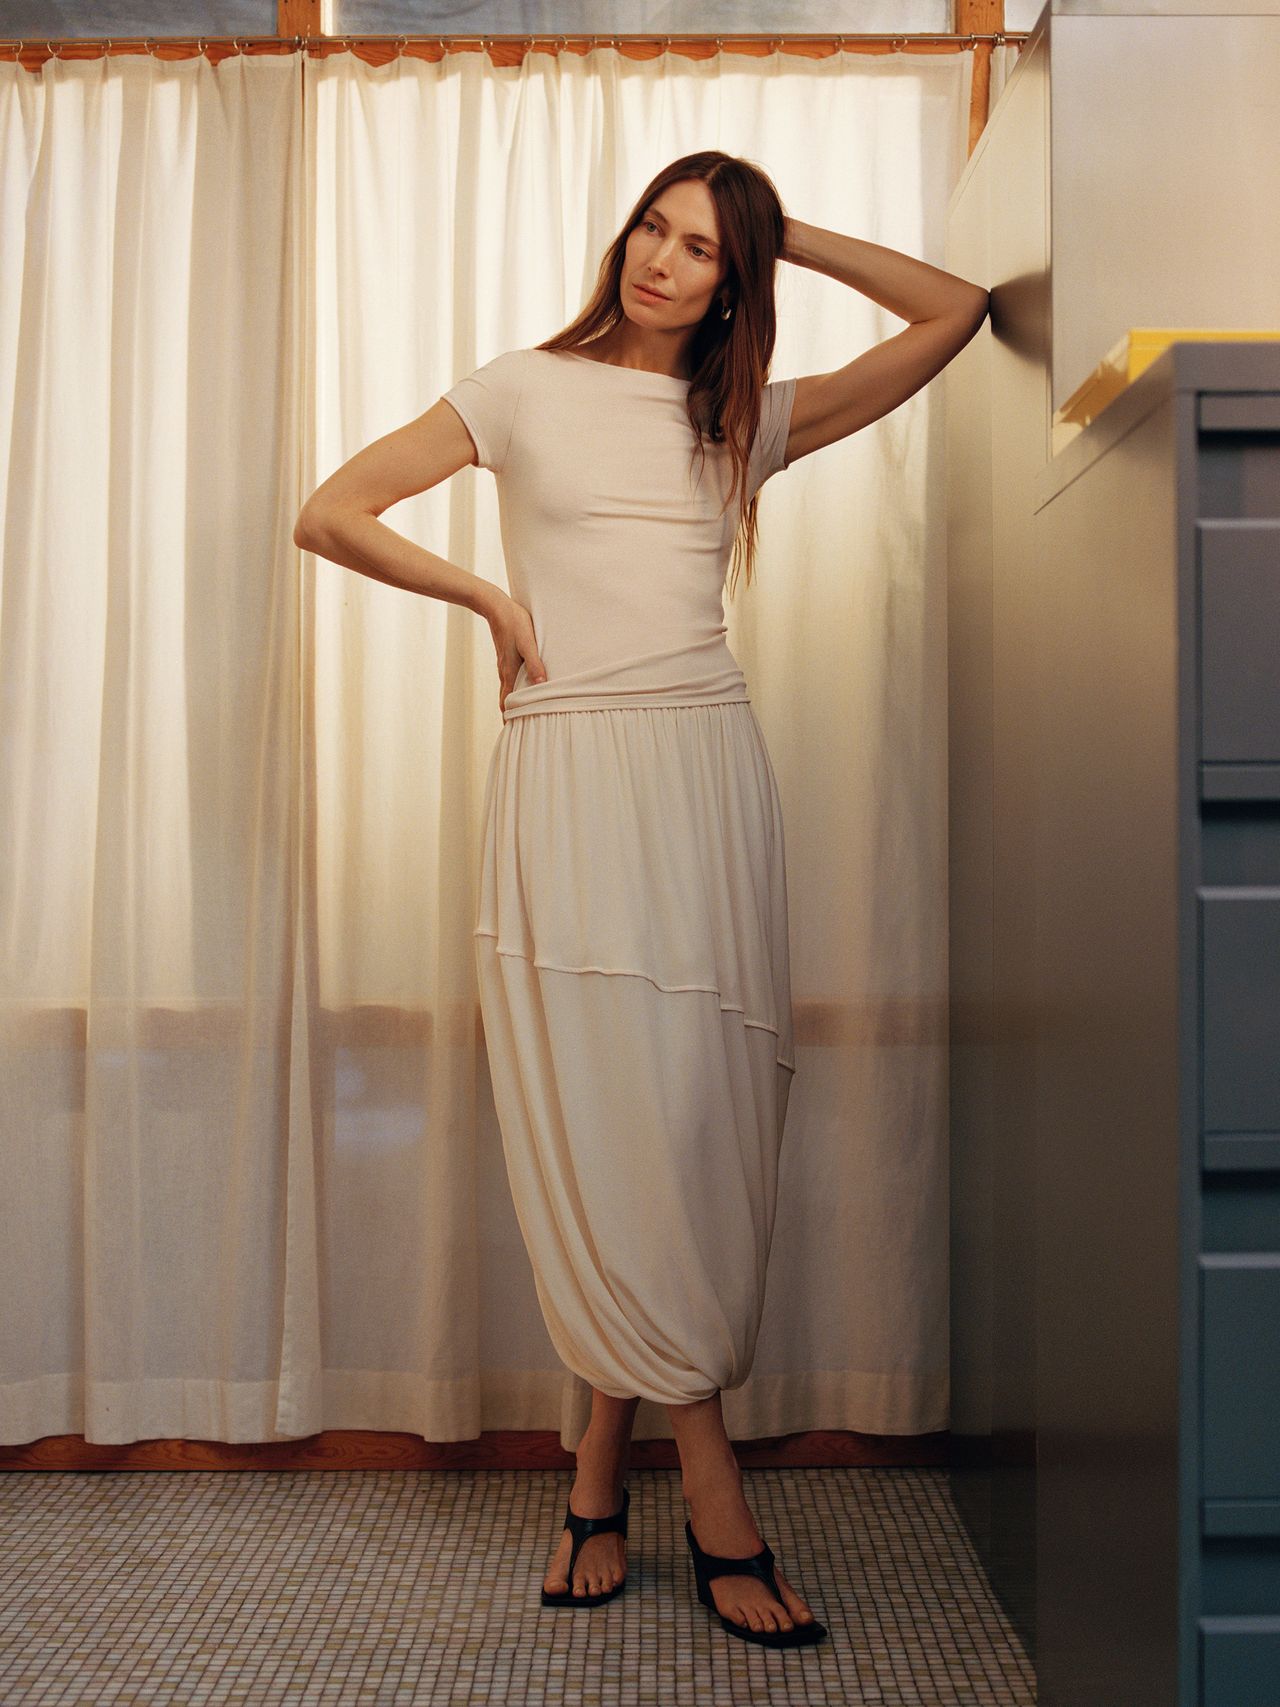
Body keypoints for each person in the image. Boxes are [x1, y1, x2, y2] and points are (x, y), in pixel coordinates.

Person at [294, 148, 989, 1651]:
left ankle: (599, 1464)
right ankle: (713, 1479)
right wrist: (489, 599)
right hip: (569, 774)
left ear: (737, 281)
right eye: (654, 231)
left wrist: (784, 230)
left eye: (701, 249)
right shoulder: (519, 389)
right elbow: (332, 510)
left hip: (706, 774)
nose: (662, 262)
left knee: (689, 1113)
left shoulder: (742, 418)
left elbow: (957, 312)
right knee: (608, 1109)